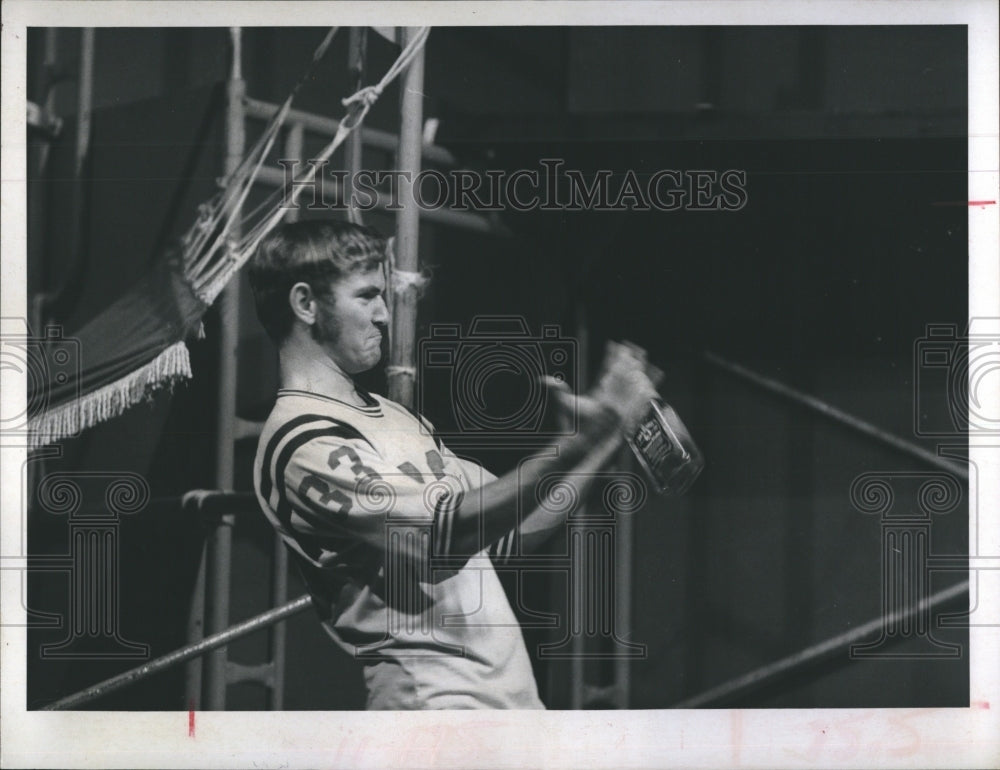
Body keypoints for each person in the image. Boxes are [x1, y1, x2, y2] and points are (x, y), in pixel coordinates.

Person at [248, 219, 658, 710]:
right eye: (367, 296)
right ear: (305, 304)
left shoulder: (393, 416)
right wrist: (580, 443)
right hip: (434, 710)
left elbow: (512, 531)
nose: (384, 314)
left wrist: (606, 437)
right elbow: (440, 539)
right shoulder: (300, 441)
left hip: (507, 707)